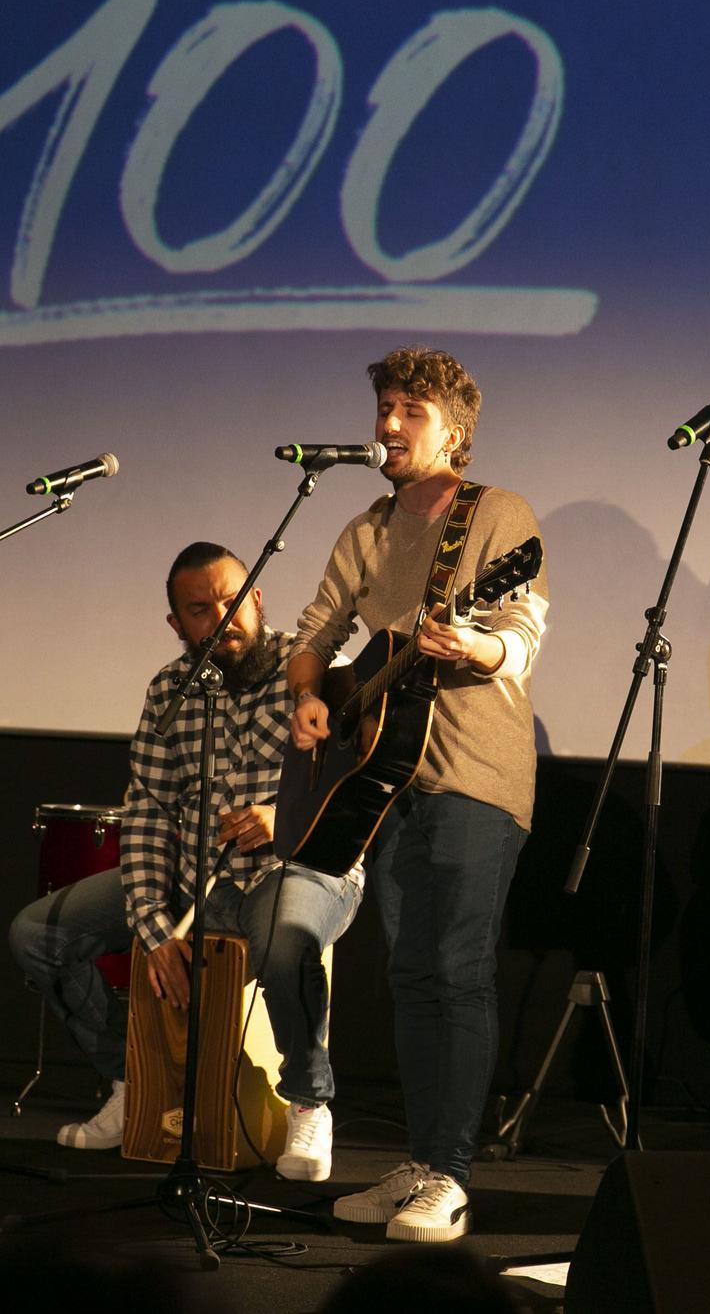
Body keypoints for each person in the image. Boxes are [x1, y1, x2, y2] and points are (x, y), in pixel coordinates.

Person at [290, 346, 548, 1243]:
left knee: (457, 970)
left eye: (411, 411)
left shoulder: (498, 516)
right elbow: (316, 629)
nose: (389, 425)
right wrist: (313, 695)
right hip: (385, 782)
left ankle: (452, 1174)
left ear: (455, 432)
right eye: (386, 408)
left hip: (477, 775)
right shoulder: (362, 528)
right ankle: (423, 1159)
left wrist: (473, 649)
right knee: (407, 973)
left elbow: (520, 631)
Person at [9, 543, 363, 1181]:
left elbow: (362, 789)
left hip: (300, 869)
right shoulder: (171, 691)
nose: (221, 618)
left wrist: (284, 820)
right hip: (192, 881)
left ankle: (310, 1101)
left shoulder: (317, 671)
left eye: (232, 600)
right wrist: (151, 926)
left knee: (285, 942)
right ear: (178, 624)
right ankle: (128, 1081)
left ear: (256, 599)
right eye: (201, 610)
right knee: (38, 933)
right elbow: (146, 809)